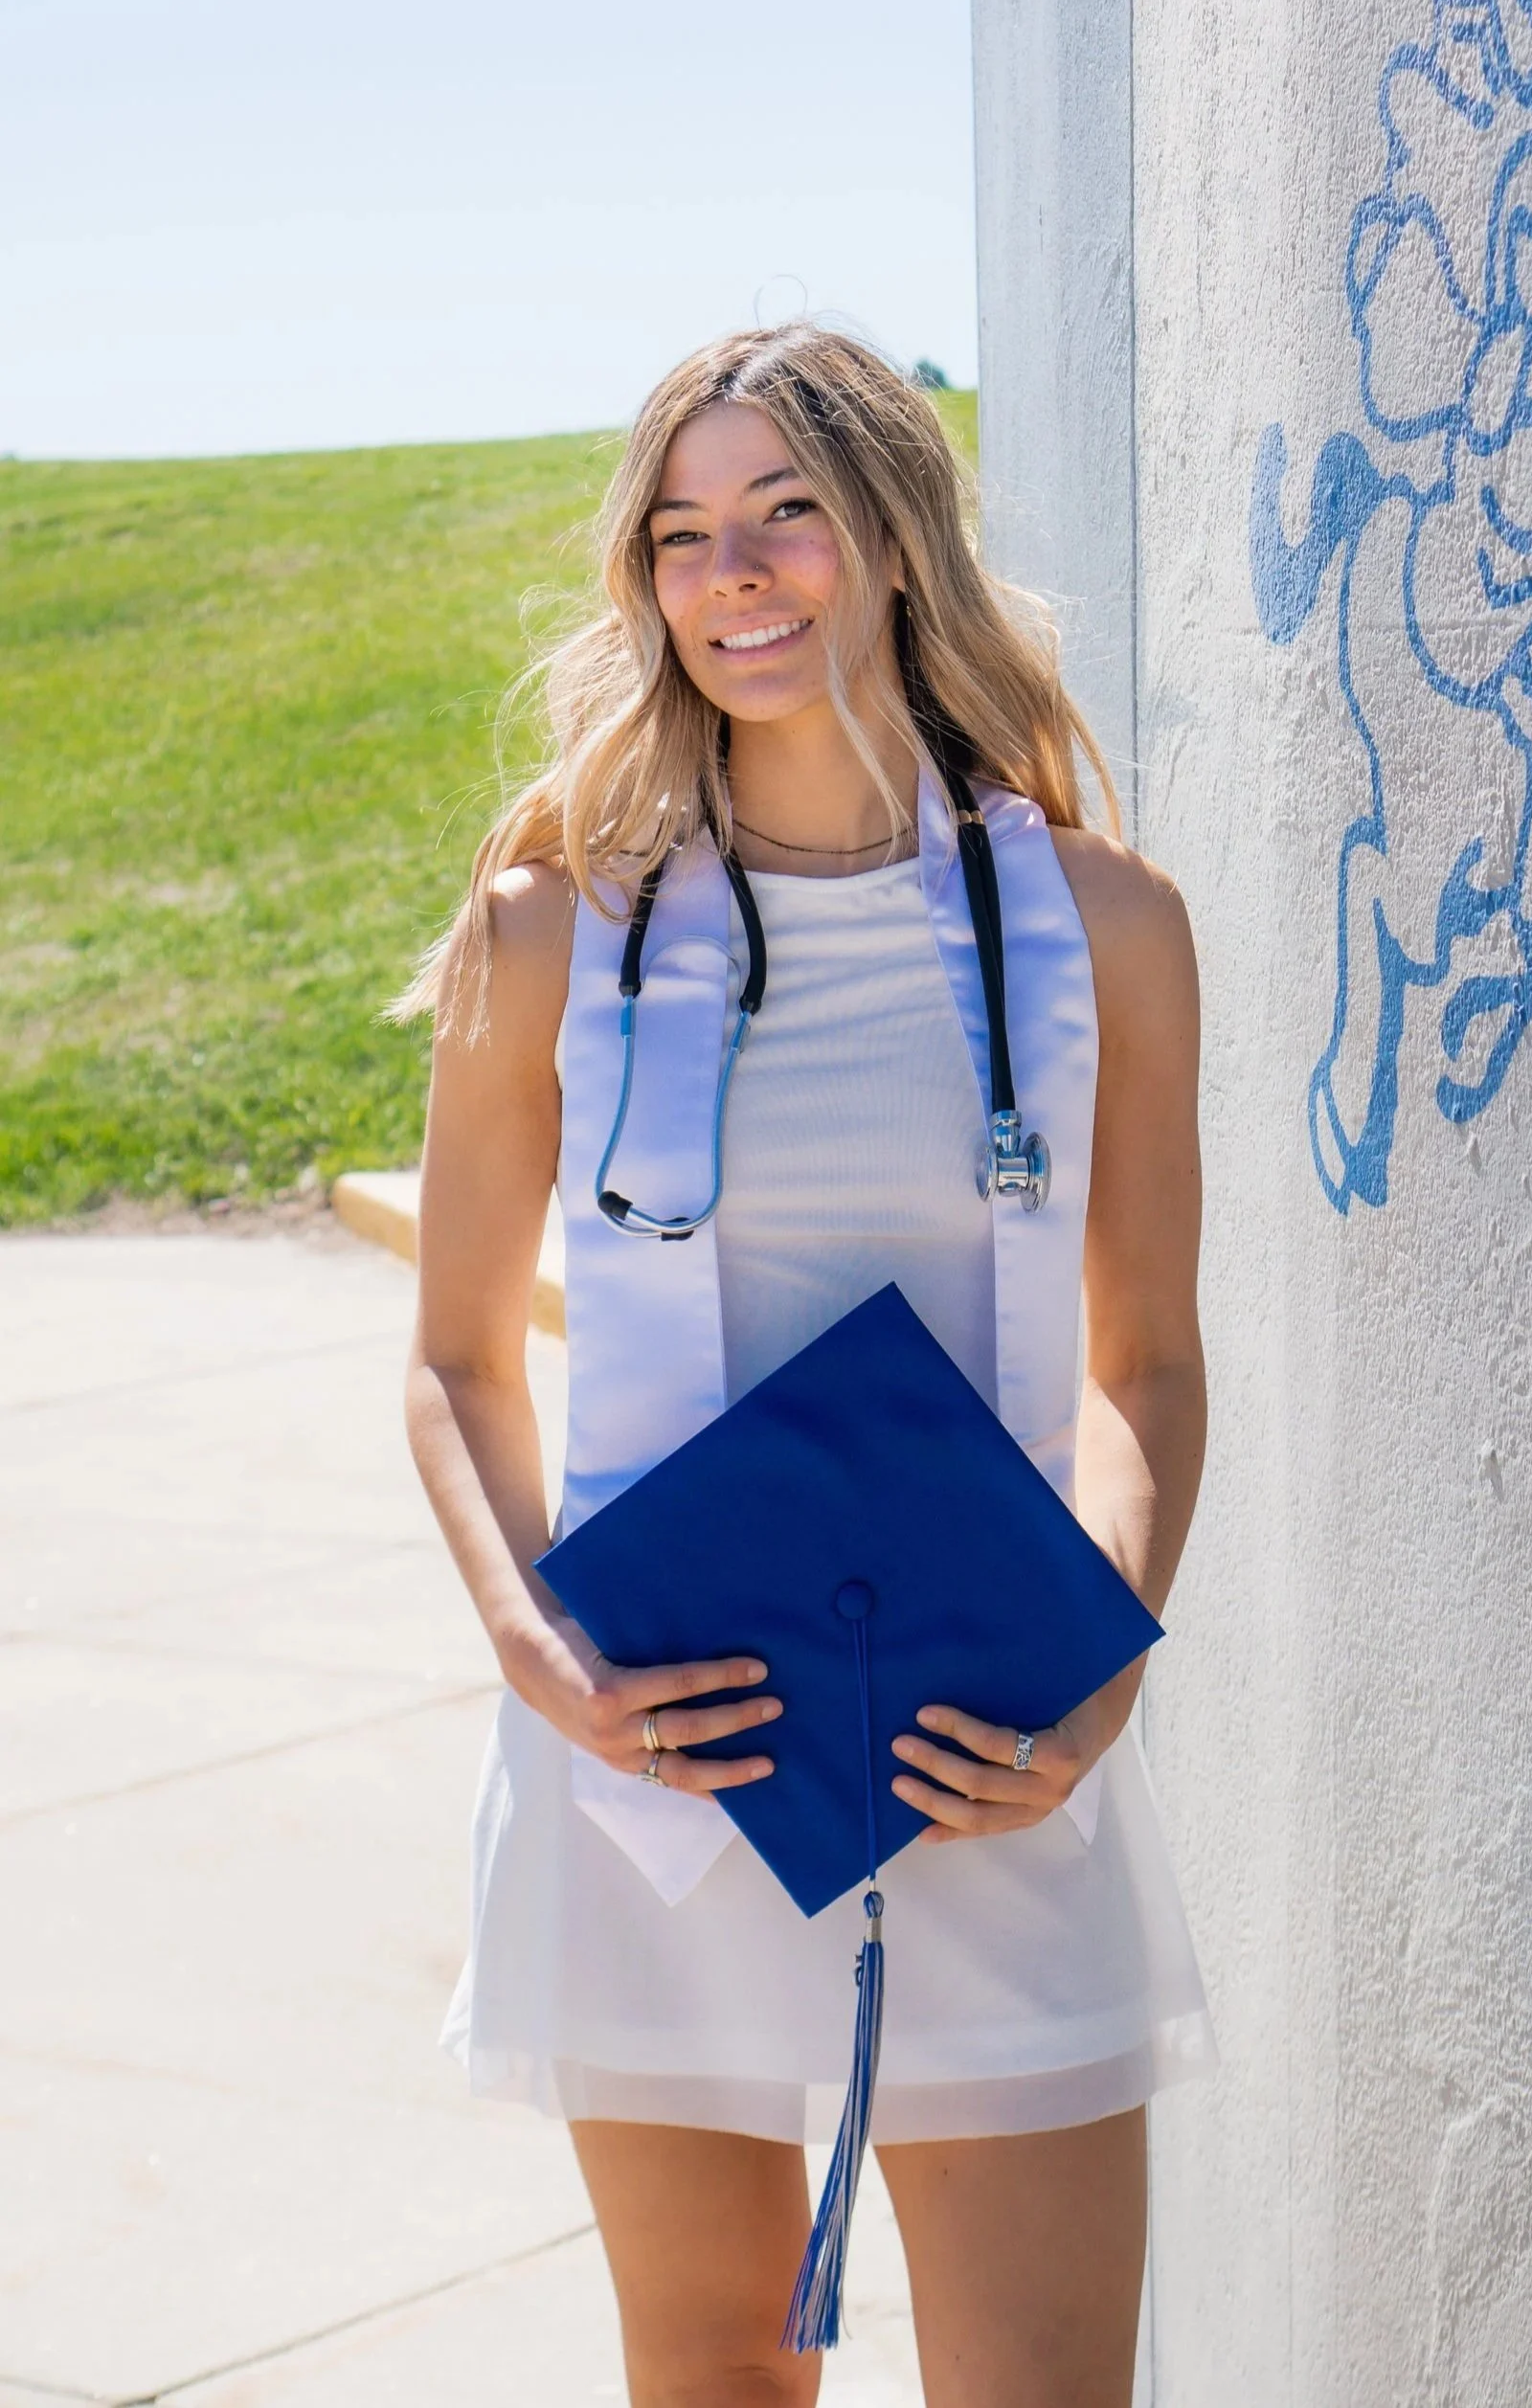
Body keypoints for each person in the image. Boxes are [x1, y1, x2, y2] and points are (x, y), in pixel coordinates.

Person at [400, 325, 1213, 2408]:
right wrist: (536, 1654)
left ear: (896, 542)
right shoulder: (556, 925)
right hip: (657, 1764)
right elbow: (460, 1361)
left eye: (784, 515)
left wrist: (1095, 1673)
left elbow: (1140, 1361)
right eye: (681, 533)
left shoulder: (1093, 922)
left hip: (980, 1758)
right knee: (715, 2375)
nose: (731, 572)